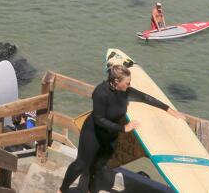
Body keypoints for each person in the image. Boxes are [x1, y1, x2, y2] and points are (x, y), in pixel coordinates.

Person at [58, 64, 183, 193]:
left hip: (111, 134)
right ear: (116, 81)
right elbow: (99, 119)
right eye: (127, 83)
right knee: (80, 165)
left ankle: (89, 189)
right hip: (93, 133)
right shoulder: (100, 92)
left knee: (99, 164)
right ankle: (62, 190)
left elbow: (145, 98)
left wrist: (168, 109)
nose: (129, 85)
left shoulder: (125, 90)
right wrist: (123, 128)